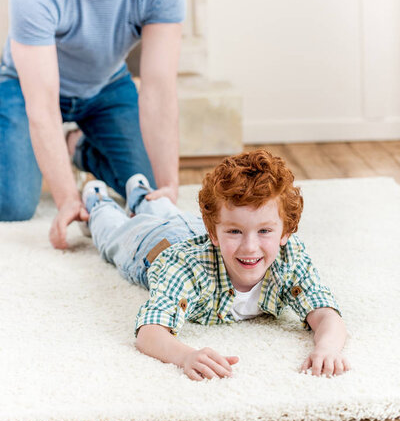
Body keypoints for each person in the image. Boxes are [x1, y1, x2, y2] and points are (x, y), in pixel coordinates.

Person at [0, 0, 185, 250]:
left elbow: (159, 91)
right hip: (24, 89)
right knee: (14, 204)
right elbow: (42, 105)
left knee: (143, 189)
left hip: (105, 85)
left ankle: (77, 147)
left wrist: (169, 187)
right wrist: (68, 197)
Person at [81, 149, 350, 380]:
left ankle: (141, 194)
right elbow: (149, 332)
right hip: (152, 243)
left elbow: (326, 313)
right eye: (234, 232)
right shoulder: (186, 267)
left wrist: (327, 348)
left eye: (265, 232)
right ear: (214, 233)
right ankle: (98, 200)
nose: (249, 247)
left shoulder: (289, 256)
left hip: (194, 227)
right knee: (111, 235)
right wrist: (186, 356)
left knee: (173, 213)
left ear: (285, 233)